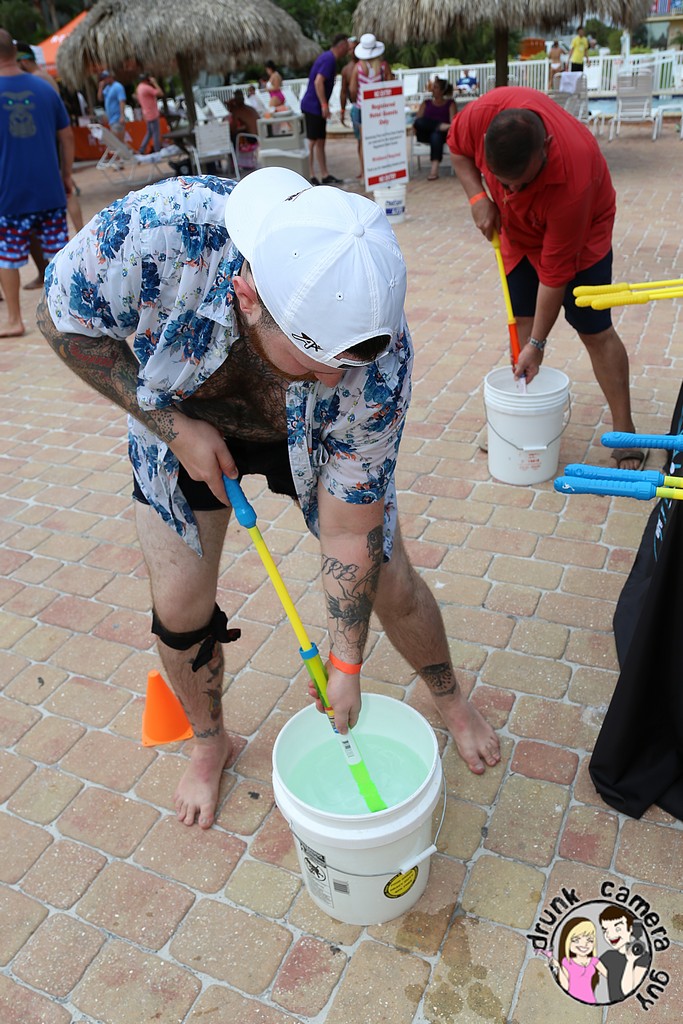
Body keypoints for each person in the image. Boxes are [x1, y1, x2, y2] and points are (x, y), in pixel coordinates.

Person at [38, 166, 501, 830]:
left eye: (347, 362)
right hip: (178, 414)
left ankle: (450, 698)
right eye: (314, 361)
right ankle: (209, 743)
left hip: (309, 436)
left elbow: (350, 531)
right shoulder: (155, 233)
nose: (336, 378)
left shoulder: (376, 360)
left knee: (390, 580)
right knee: (179, 609)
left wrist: (345, 662)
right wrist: (173, 430)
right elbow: (61, 322)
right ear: (249, 294)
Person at [448, 88, 644, 470]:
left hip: (583, 235)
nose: (510, 192)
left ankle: (626, 432)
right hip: (517, 233)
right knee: (522, 320)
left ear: (546, 149)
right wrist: (478, 197)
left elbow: (555, 275)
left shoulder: (574, 176)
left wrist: (538, 343)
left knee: (594, 330)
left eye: (520, 183)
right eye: (502, 183)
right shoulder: (482, 114)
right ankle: (521, 422)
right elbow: (457, 150)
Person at [0, 30, 73, 339]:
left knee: (7, 257)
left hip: (8, 193)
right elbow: (66, 137)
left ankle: (15, 319)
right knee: (58, 254)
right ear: (15, 52)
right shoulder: (45, 88)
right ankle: (65, 315)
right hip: (49, 190)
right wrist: (66, 175)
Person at [13, 40, 84, 285]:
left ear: (23, 60)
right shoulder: (45, 79)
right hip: (52, 143)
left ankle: (57, 266)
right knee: (65, 192)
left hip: (47, 144)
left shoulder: (36, 80)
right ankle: (79, 238)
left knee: (62, 194)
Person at [300, 33, 349, 185]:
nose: (348, 49)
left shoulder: (328, 58)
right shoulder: (329, 59)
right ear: (341, 46)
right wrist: (324, 104)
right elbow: (318, 82)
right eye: (347, 46)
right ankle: (310, 175)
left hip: (316, 106)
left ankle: (324, 174)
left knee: (320, 140)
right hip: (312, 106)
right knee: (312, 141)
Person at [349, 33, 393, 181]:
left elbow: (353, 89)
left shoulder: (358, 67)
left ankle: (364, 173)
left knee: (363, 142)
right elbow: (390, 84)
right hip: (378, 109)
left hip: (362, 107)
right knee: (380, 140)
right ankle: (380, 171)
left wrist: (356, 99)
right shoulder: (383, 66)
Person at [599, 907, 650, 1002]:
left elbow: (627, 992)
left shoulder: (642, 957)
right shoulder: (608, 956)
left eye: (617, 929)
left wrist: (630, 961)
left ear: (630, 929)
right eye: (605, 930)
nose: (610, 935)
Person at [552, 917, 607, 1004]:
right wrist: (558, 967)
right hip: (571, 1000)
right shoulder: (567, 962)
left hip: (590, 1000)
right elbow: (565, 986)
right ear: (567, 941)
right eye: (576, 940)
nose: (584, 944)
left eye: (590, 940)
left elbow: (610, 976)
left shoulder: (594, 961)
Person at [413, 76, 456, 181]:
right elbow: (417, 122)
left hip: (442, 136)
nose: (432, 89)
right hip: (424, 134)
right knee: (419, 122)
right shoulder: (426, 103)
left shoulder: (450, 104)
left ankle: (434, 169)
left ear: (442, 91)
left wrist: (442, 129)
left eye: (435, 87)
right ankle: (439, 126)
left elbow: (453, 124)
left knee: (436, 134)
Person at [134, 72, 163, 154]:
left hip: (146, 113)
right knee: (156, 133)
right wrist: (155, 83)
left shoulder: (139, 88)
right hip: (152, 113)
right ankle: (157, 151)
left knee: (149, 132)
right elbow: (160, 93)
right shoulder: (146, 88)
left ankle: (141, 149)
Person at [98, 69, 126, 139]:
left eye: (106, 78)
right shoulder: (107, 88)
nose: (104, 80)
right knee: (117, 141)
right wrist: (100, 87)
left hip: (117, 118)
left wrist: (122, 115)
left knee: (117, 140)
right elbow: (100, 98)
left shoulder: (118, 86)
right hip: (111, 120)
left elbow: (122, 101)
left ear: (110, 77)